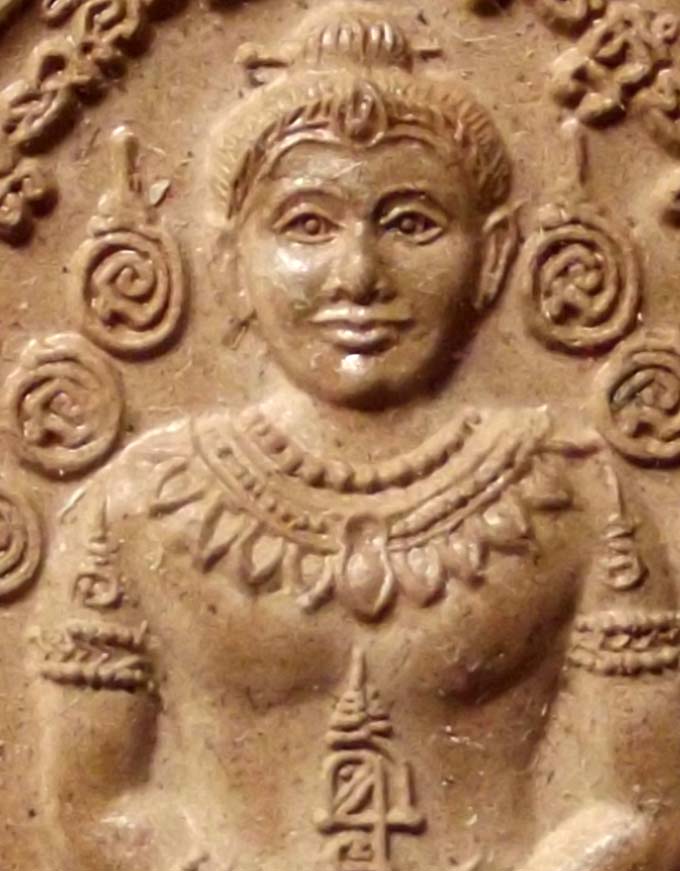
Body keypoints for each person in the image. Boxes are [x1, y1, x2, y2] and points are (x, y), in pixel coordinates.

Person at [33, 6, 680, 871]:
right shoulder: (140, 501)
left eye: (411, 223)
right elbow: (96, 806)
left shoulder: (578, 493)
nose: (359, 276)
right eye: (306, 225)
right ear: (229, 260)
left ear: (492, 256)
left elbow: (638, 808)